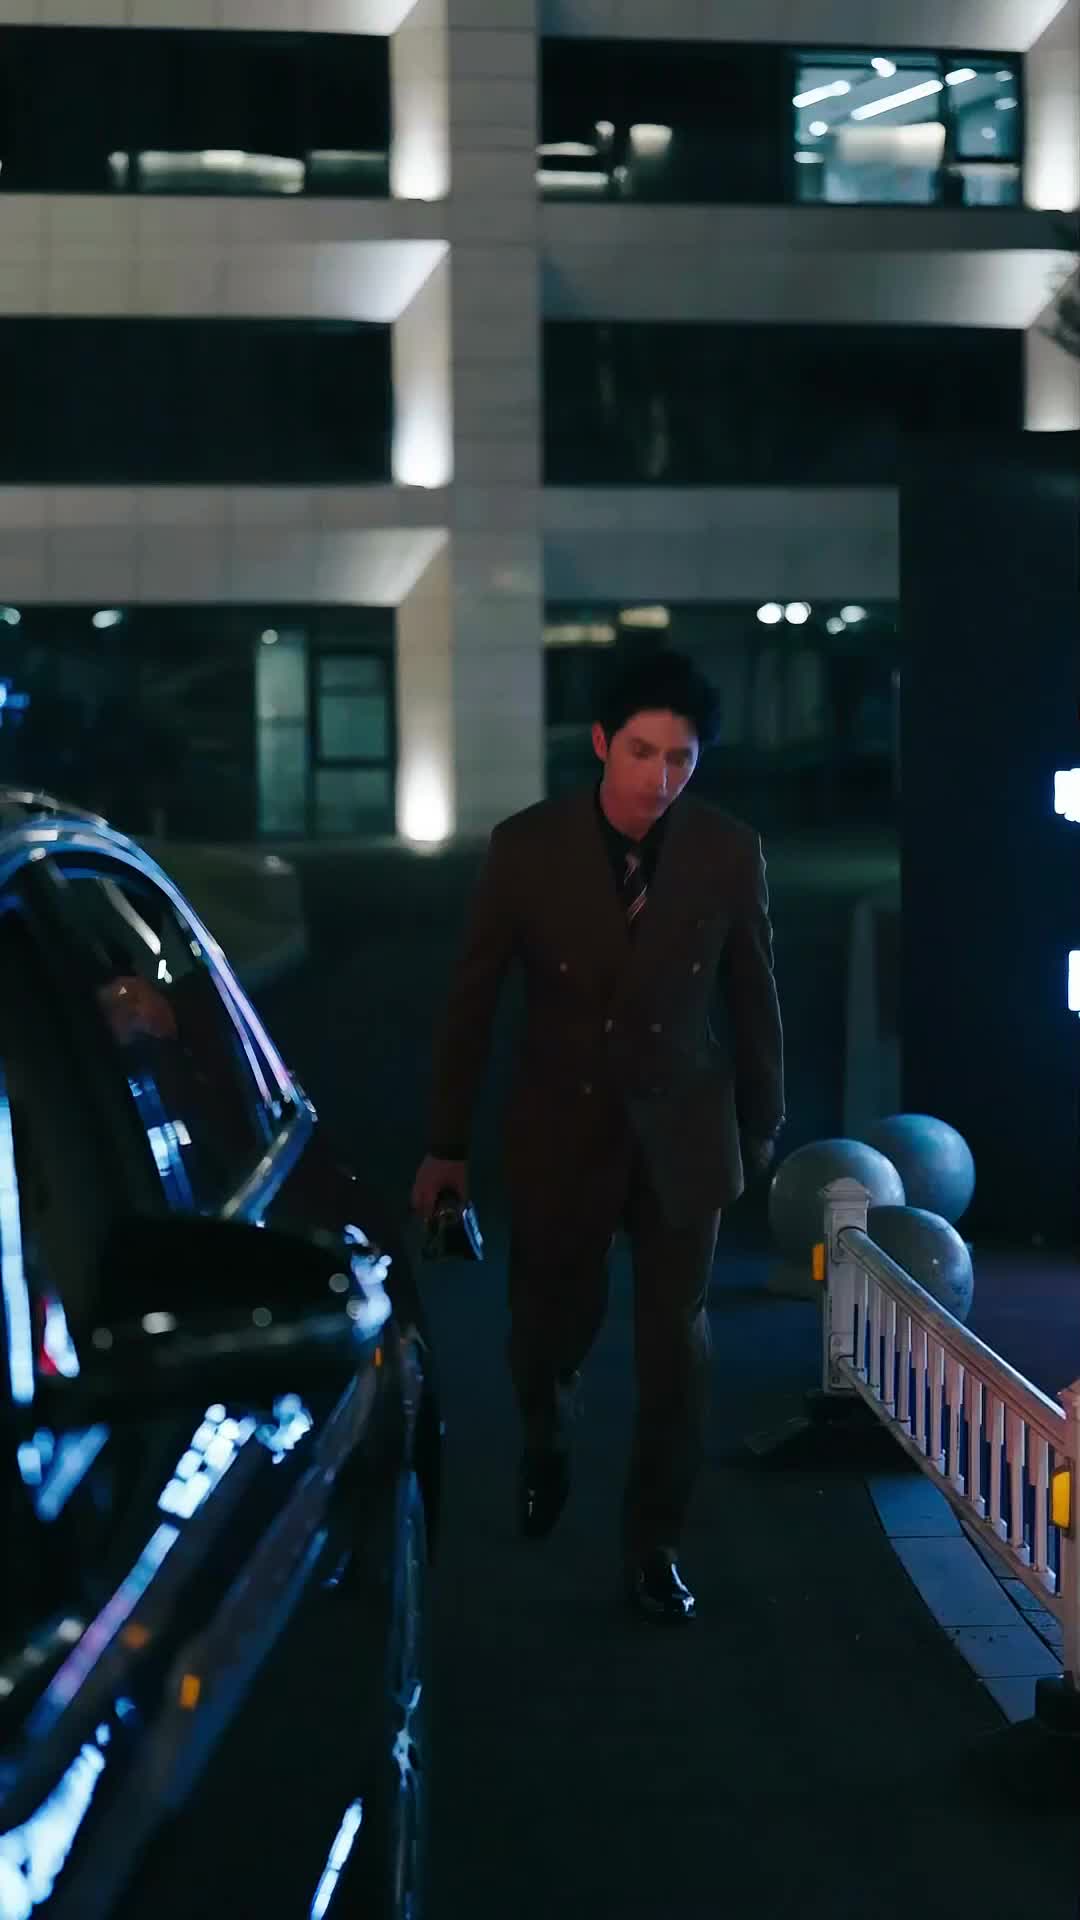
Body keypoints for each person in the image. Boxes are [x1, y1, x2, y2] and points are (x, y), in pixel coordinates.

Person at [411, 650, 784, 1626]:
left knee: (678, 1347)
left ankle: (654, 1544)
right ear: (600, 745)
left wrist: (762, 1126)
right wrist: (446, 1144)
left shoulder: (726, 850)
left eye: (681, 758)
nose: (660, 778)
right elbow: (470, 1002)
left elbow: (755, 998)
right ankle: (546, 1426)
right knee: (544, 1325)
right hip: (562, 1122)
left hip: (682, 1128)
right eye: (641, 752)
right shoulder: (528, 848)